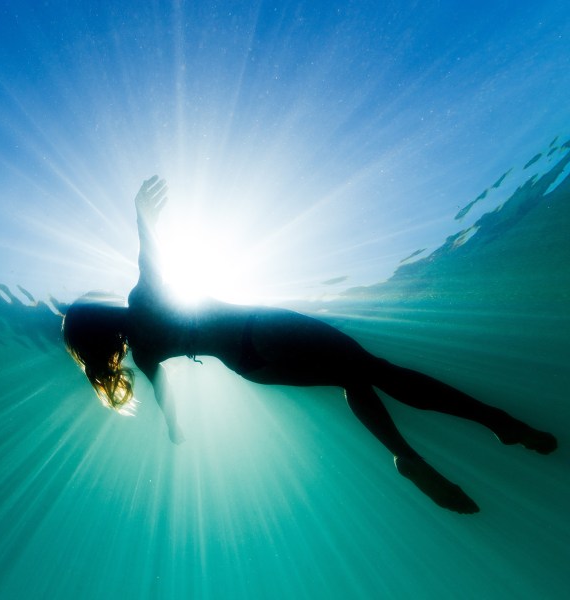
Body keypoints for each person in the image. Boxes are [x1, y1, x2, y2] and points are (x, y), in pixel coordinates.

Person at [62, 175, 558, 514]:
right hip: (261, 329)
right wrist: (141, 215)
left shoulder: (144, 350)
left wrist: (174, 428)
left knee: (352, 379)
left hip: (251, 365)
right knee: (375, 370)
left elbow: (164, 390)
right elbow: (151, 258)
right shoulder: (139, 298)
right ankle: (498, 423)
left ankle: (407, 455)